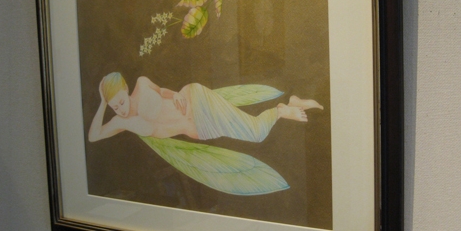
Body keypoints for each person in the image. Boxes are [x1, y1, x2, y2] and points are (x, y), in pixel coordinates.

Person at [88, 72, 323, 143]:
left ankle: (284, 109)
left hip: (197, 101)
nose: (120, 109)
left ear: (126, 88)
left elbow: (161, 91)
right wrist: (102, 101)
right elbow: (93, 136)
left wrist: (175, 94)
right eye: (114, 106)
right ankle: (287, 105)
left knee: (256, 133)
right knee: (254, 131)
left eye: (121, 101)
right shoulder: (120, 122)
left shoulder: (141, 84)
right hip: (201, 129)